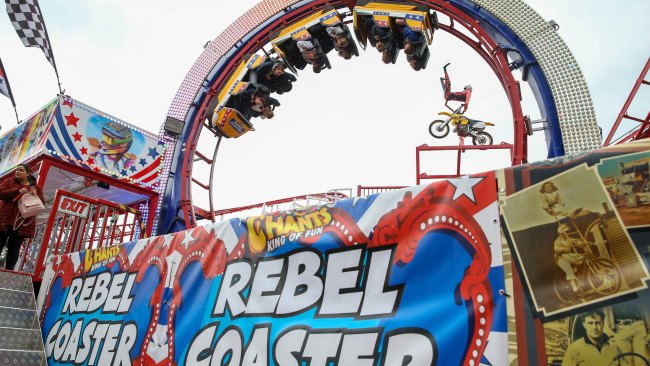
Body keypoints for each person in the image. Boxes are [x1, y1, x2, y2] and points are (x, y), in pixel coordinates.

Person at [0, 164, 45, 271]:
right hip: (4, 221)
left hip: (22, 224)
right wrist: (17, 191)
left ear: (28, 173)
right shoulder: (9, 182)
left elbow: (41, 204)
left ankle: (8, 271)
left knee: (14, 248)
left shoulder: (36, 188)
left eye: (21, 170)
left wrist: (35, 196)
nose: (17, 172)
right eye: (16, 170)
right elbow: (1, 193)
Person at [562, 310, 628, 366]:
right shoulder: (574, 350)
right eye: (590, 323)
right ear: (584, 324)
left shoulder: (615, 347)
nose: (594, 327)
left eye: (598, 323)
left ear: (603, 323)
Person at [554, 223, 585, 293]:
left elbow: (576, 241)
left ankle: (575, 268)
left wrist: (581, 243)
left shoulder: (568, 239)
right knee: (568, 269)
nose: (566, 233)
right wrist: (563, 250)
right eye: (565, 232)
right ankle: (574, 287)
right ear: (560, 233)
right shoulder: (557, 241)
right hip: (561, 258)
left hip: (569, 256)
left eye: (567, 232)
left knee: (582, 256)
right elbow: (556, 249)